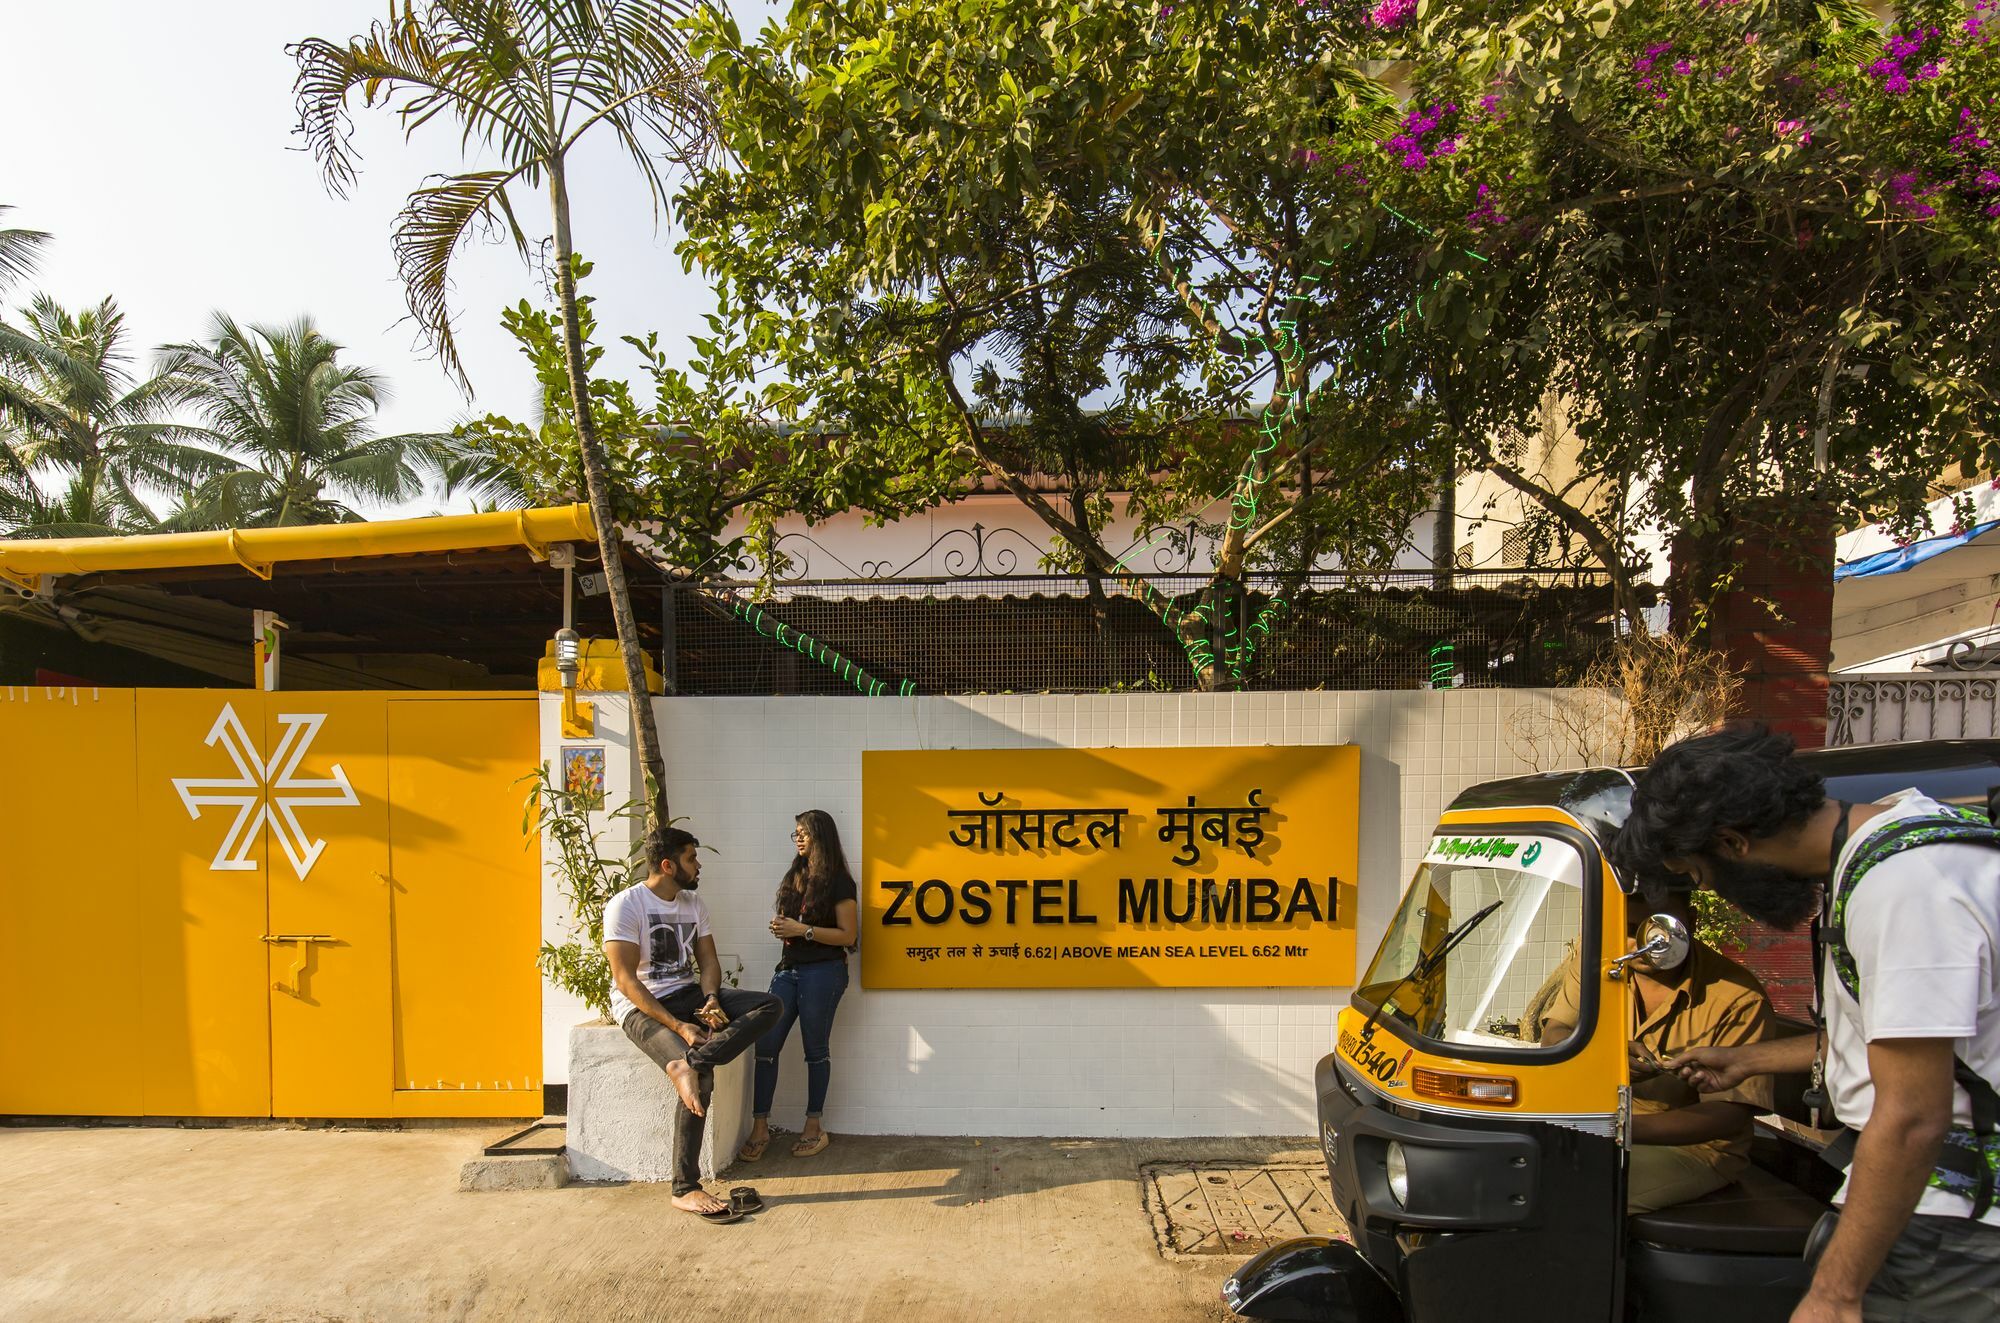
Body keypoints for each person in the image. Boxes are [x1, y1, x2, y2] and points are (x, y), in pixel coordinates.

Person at [1614, 722, 2000, 1322]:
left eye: (1697, 874)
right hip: (1926, 1203)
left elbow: (1913, 1115)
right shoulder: (1898, 836)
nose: (1708, 891)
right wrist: (1747, 1059)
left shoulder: (1903, 886)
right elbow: (1911, 1037)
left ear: (1733, 843)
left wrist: (1833, 1295)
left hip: (1955, 1221)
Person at [1533, 890, 1777, 1213]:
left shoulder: (1738, 999)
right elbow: (1555, 1034)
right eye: (1629, 927)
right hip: (1602, 1126)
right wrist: (1609, 1058)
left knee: (1580, 1189)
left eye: (1658, 928)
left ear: (1692, 922)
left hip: (1696, 1149)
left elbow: (1728, 1115)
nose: (1640, 943)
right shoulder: (1597, 963)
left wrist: (1616, 1127)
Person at [604, 825, 781, 1222]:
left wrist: (712, 999)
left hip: (688, 995)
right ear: (667, 865)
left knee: (769, 1005)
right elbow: (627, 982)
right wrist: (680, 1027)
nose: (697, 865)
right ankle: (685, 1189)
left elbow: (709, 964)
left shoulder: (693, 903)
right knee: (699, 1081)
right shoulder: (626, 906)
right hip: (641, 1009)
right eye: (690, 858)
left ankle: (696, 1061)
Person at [740, 810, 859, 1162]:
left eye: (804, 833)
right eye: (796, 834)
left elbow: (848, 935)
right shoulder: (796, 875)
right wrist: (783, 928)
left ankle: (813, 1127)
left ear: (821, 836)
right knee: (766, 1043)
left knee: (815, 1049)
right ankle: (760, 1126)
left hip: (824, 971)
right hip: (788, 970)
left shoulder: (839, 882)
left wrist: (801, 930)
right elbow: (794, 923)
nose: (799, 839)